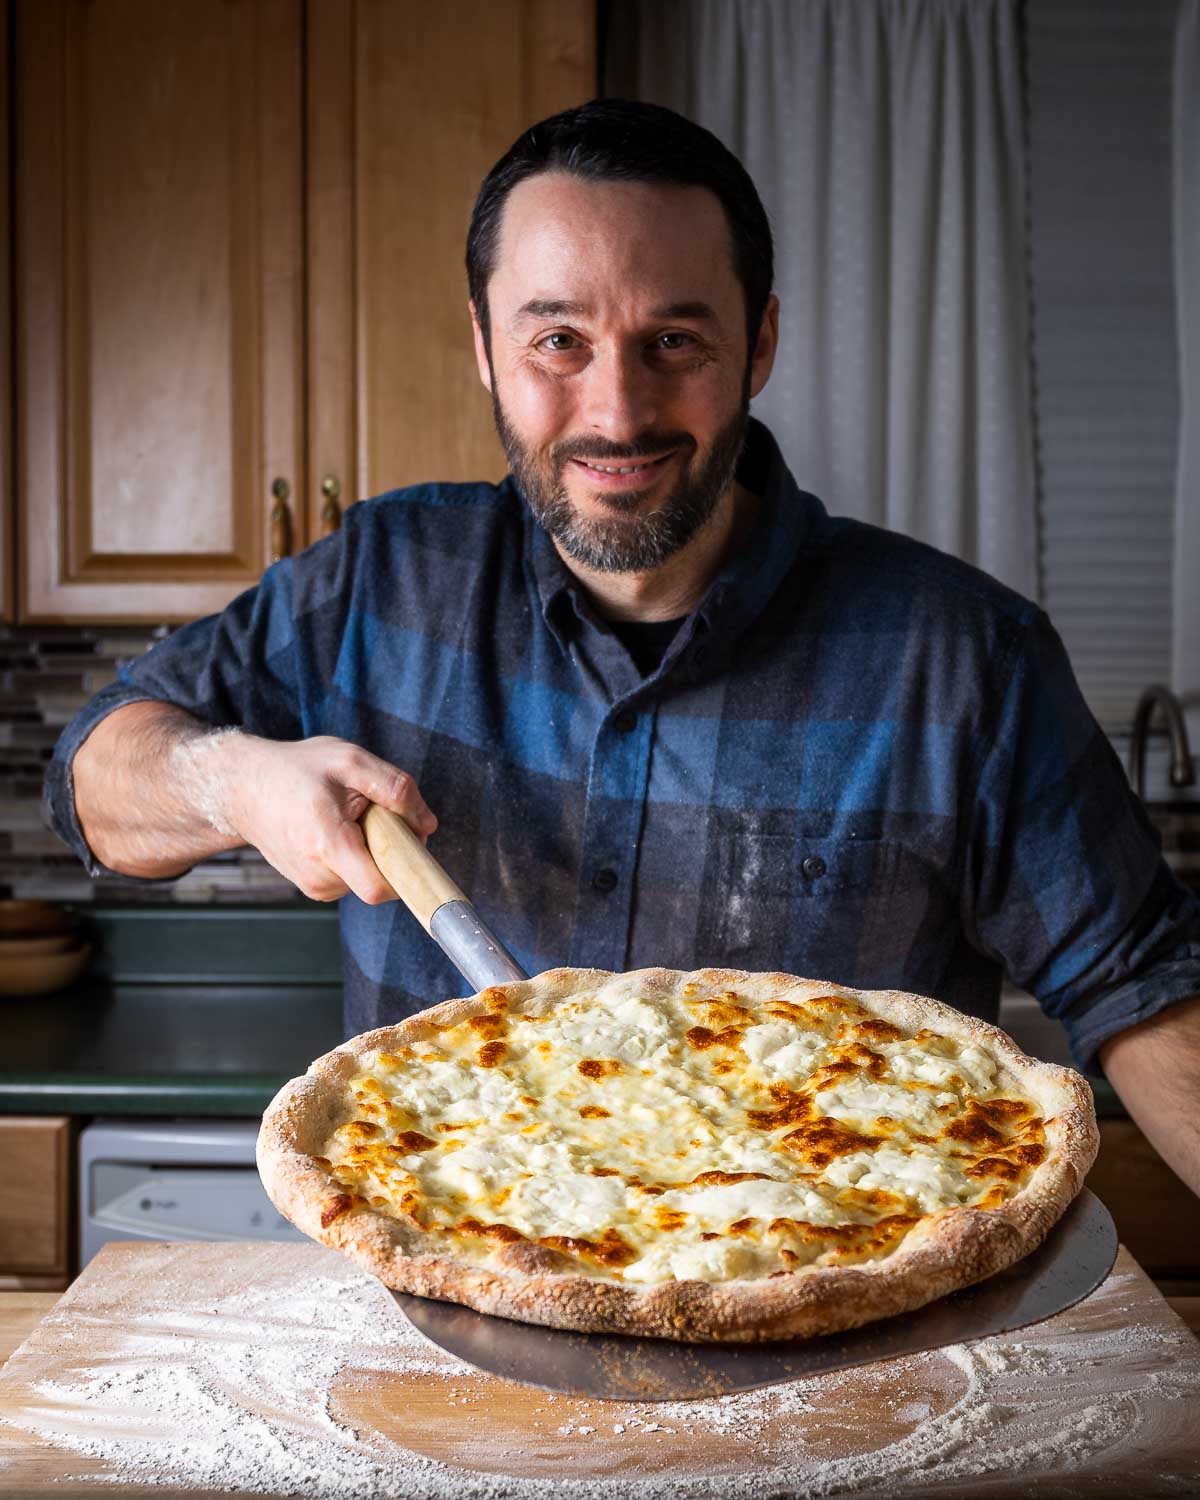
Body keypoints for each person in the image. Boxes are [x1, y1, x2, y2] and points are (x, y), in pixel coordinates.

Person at [46, 99, 1200, 1199]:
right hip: (452, 1306)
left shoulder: (964, 659)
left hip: (828, 1340)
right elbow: (93, 778)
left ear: (760, 341)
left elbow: (1147, 992)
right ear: (486, 349)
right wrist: (234, 778)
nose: (618, 410)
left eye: (674, 340)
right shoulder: (376, 581)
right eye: (559, 339)